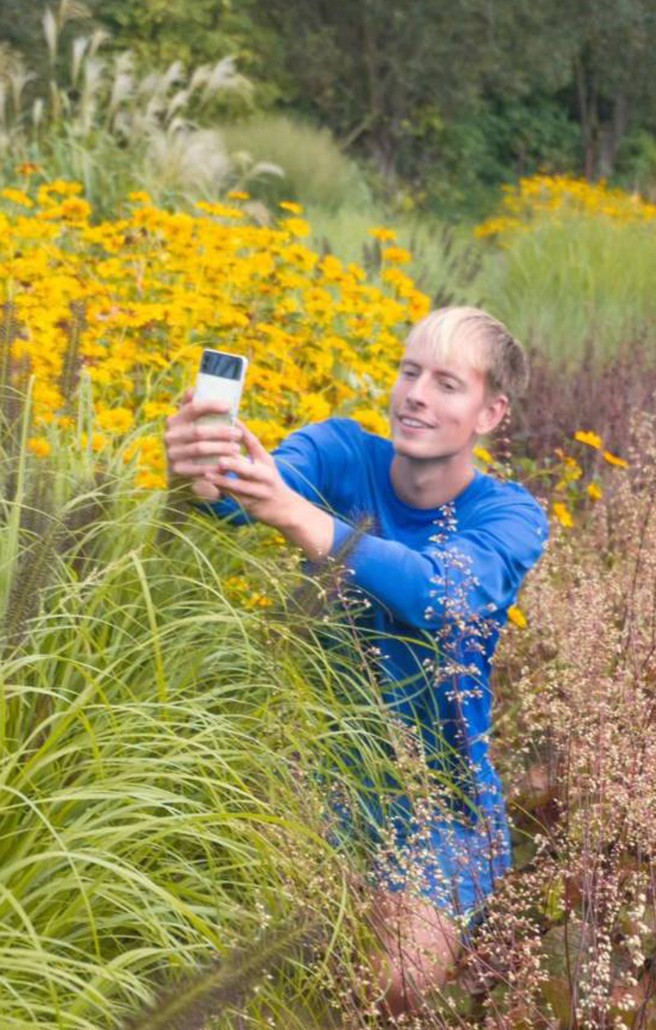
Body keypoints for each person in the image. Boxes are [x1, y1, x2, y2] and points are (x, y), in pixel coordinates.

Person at [164, 305, 549, 1017]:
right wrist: (205, 470)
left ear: (491, 412)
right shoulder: (341, 451)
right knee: (216, 937)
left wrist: (298, 517)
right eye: (409, 372)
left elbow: (439, 591)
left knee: (393, 976)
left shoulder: (511, 516)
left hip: (440, 798)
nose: (416, 395)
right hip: (315, 772)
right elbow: (244, 499)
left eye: (446, 383)